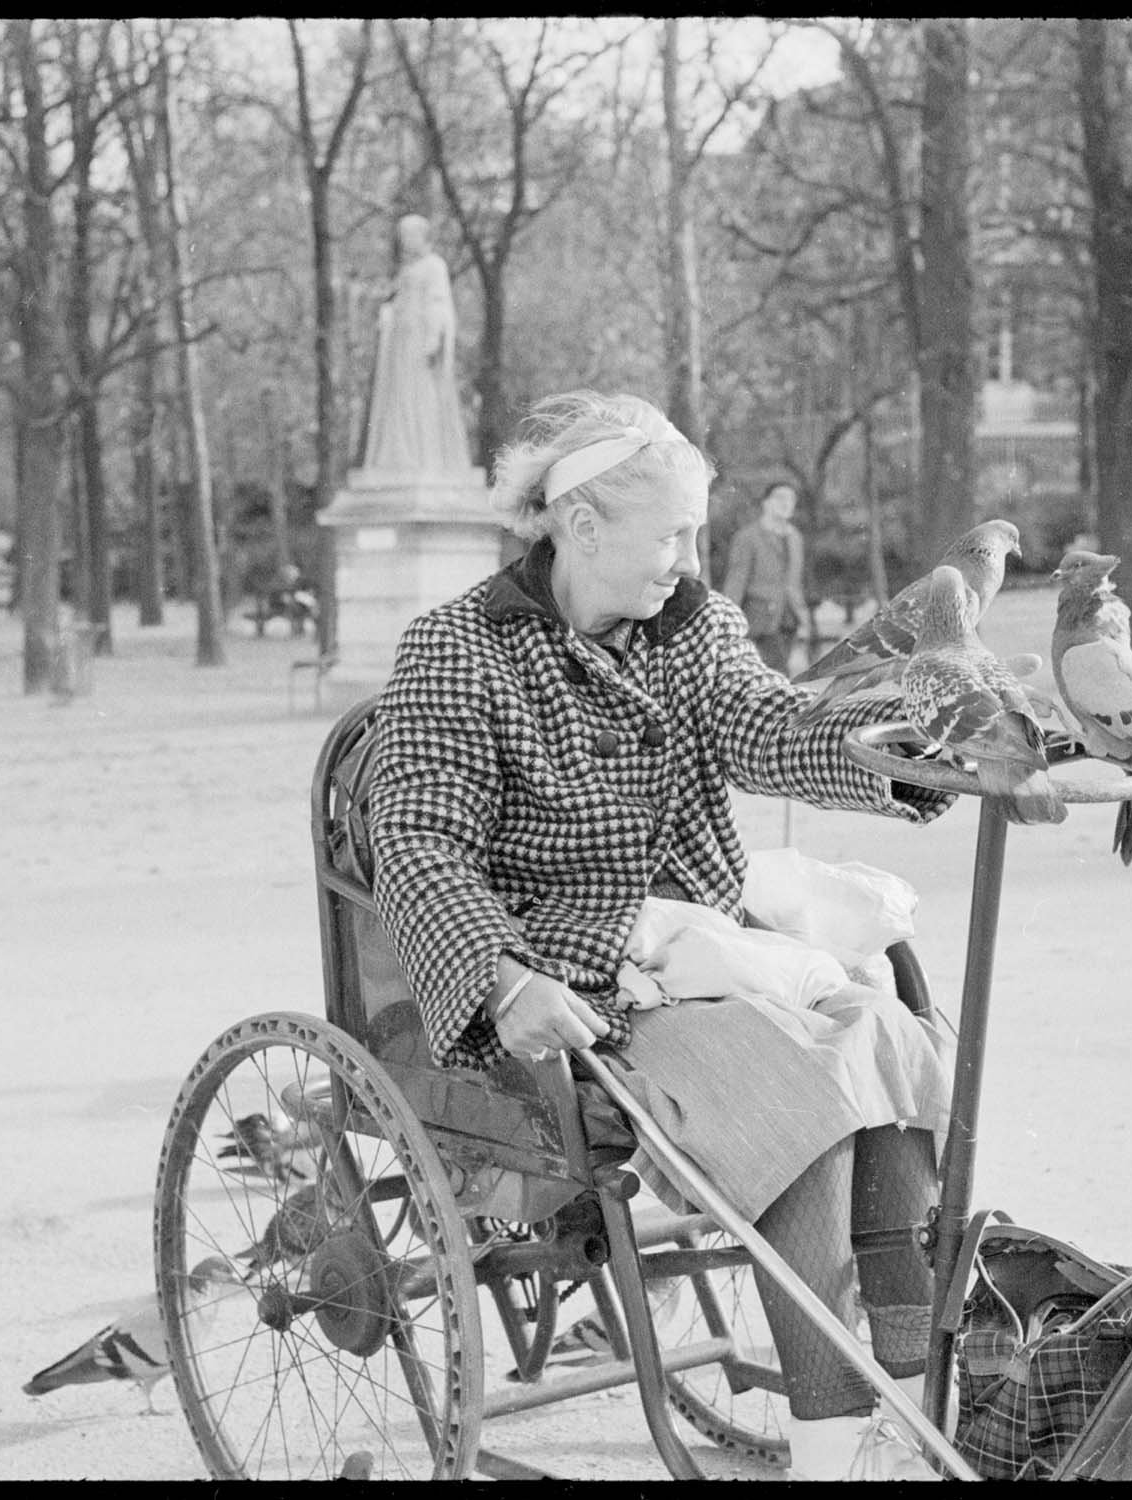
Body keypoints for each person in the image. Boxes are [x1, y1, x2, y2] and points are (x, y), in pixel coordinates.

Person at [366, 392, 959, 1480]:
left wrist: (903, 750)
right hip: (577, 986)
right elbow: (419, 846)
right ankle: (830, 1458)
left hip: (706, 949)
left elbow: (770, 728)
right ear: (583, 525)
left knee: (893, 1047)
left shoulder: (689, 625)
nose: (692, 558)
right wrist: (502, 980)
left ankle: (914, 1409)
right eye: (675, 532)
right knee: (803, 1104)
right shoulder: (459, 652)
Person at [360, 213, 473, 477]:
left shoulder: (434, 266)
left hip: (420, 343)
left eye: (410, 236)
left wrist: (433, 338)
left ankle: (424, 455)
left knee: (421, 397)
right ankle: (400, 455)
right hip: (401, 344)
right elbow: (397, 304)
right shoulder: (407, 270)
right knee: (399, 399)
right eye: (403, 237)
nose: (406, 242)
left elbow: (437, 303)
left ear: (424, 236)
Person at [723, 481, 812, 672]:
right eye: (780, 497)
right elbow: (735, 583)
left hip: (789, 619)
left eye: (791, 499)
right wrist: (728, 623)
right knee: (777, 676)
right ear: (765, 503)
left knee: (780, 675)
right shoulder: (747, 537)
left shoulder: (795, 537)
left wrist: (803, 618)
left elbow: (794, 583)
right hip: (759, 621)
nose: (786, 503)